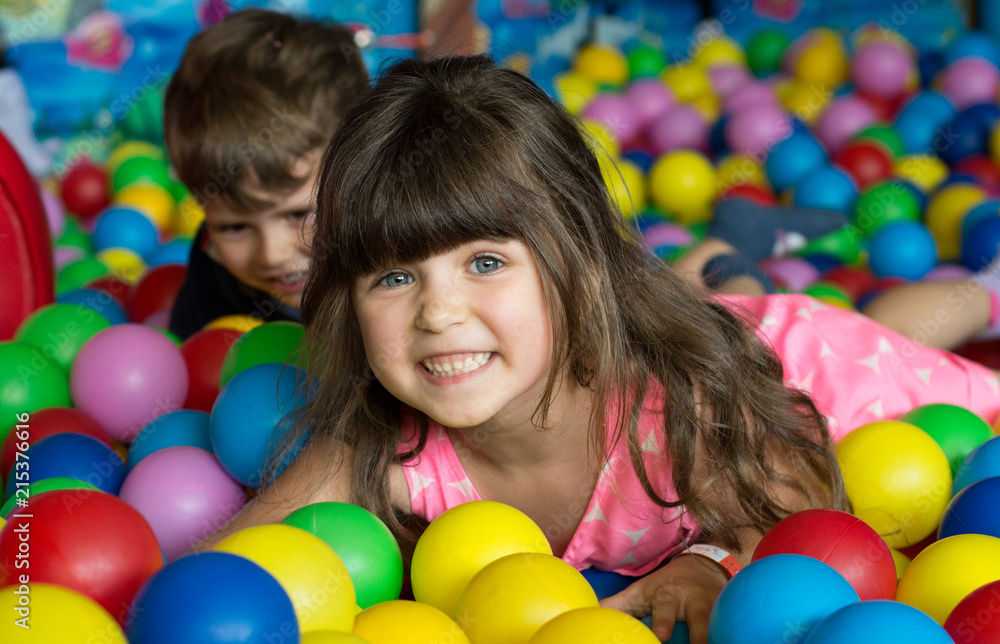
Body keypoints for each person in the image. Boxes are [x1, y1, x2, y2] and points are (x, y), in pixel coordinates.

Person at [199, 56, 1000, 643]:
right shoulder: (380, 440)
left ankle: (984, 288)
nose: (439, 315)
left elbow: (802, 518)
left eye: (485, 262)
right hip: (696, 323)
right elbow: (226, 573)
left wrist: (713, 561)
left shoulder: (678, 399)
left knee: (891, 343)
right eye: (394, 277)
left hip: (803, 366)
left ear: (578, 265)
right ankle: (723, 262)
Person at [164, 8, 369, 339]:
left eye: (299, 213)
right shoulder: (214, 273)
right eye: (234, 226)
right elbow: (198, 363)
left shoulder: (405, 241)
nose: (272, 254)